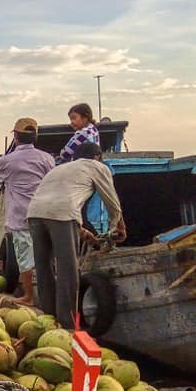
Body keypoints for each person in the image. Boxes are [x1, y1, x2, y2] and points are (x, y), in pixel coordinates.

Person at [27, 141, 126, 329]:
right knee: (68, 270)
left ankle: (48, 321)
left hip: (34, 214)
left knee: (44, 268)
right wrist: (120, 227)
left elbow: (57, 204)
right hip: (61, 215)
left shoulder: (60, 169)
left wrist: (83, 232)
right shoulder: (97, 166)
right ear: (98, 157)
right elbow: (112, 202)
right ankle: (68, 325)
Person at [0, 117, 54, 305]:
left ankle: (29, 296)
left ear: (16, 137)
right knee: (45, 255)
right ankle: (48, 295)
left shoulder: (8, 161)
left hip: (20, 216)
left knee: (24, 257)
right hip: (43, 214)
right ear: (35, 137)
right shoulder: (47, 159)